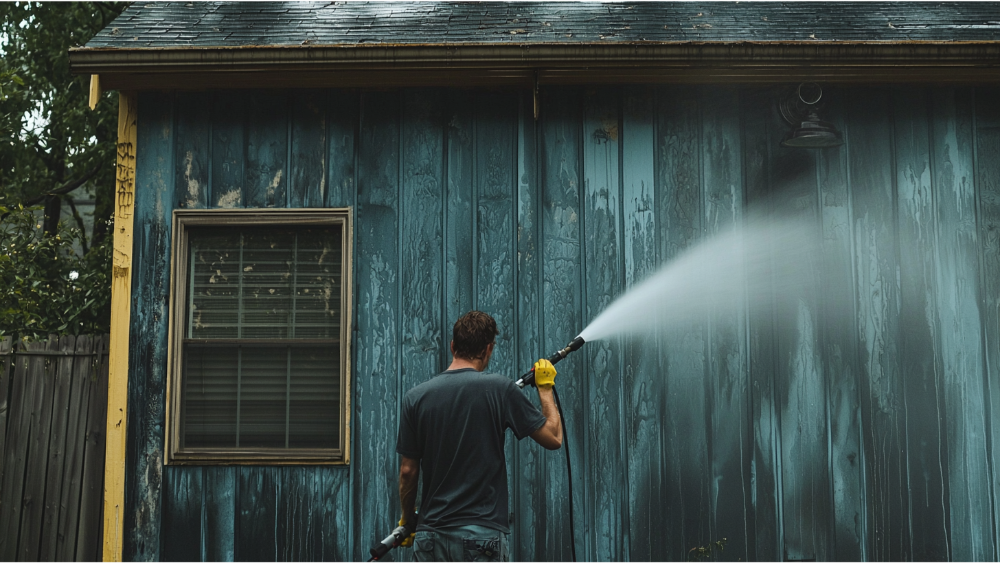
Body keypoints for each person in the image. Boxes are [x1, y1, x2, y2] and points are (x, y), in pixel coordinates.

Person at [395, 310, 563, 562]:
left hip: (431, 536)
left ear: (453, 346)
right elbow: (553, 438)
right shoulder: (500, 389)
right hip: (481, 535)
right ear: (488, 349)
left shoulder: (416, 398)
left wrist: (407, 521)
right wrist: (545, 388)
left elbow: (408, 471)